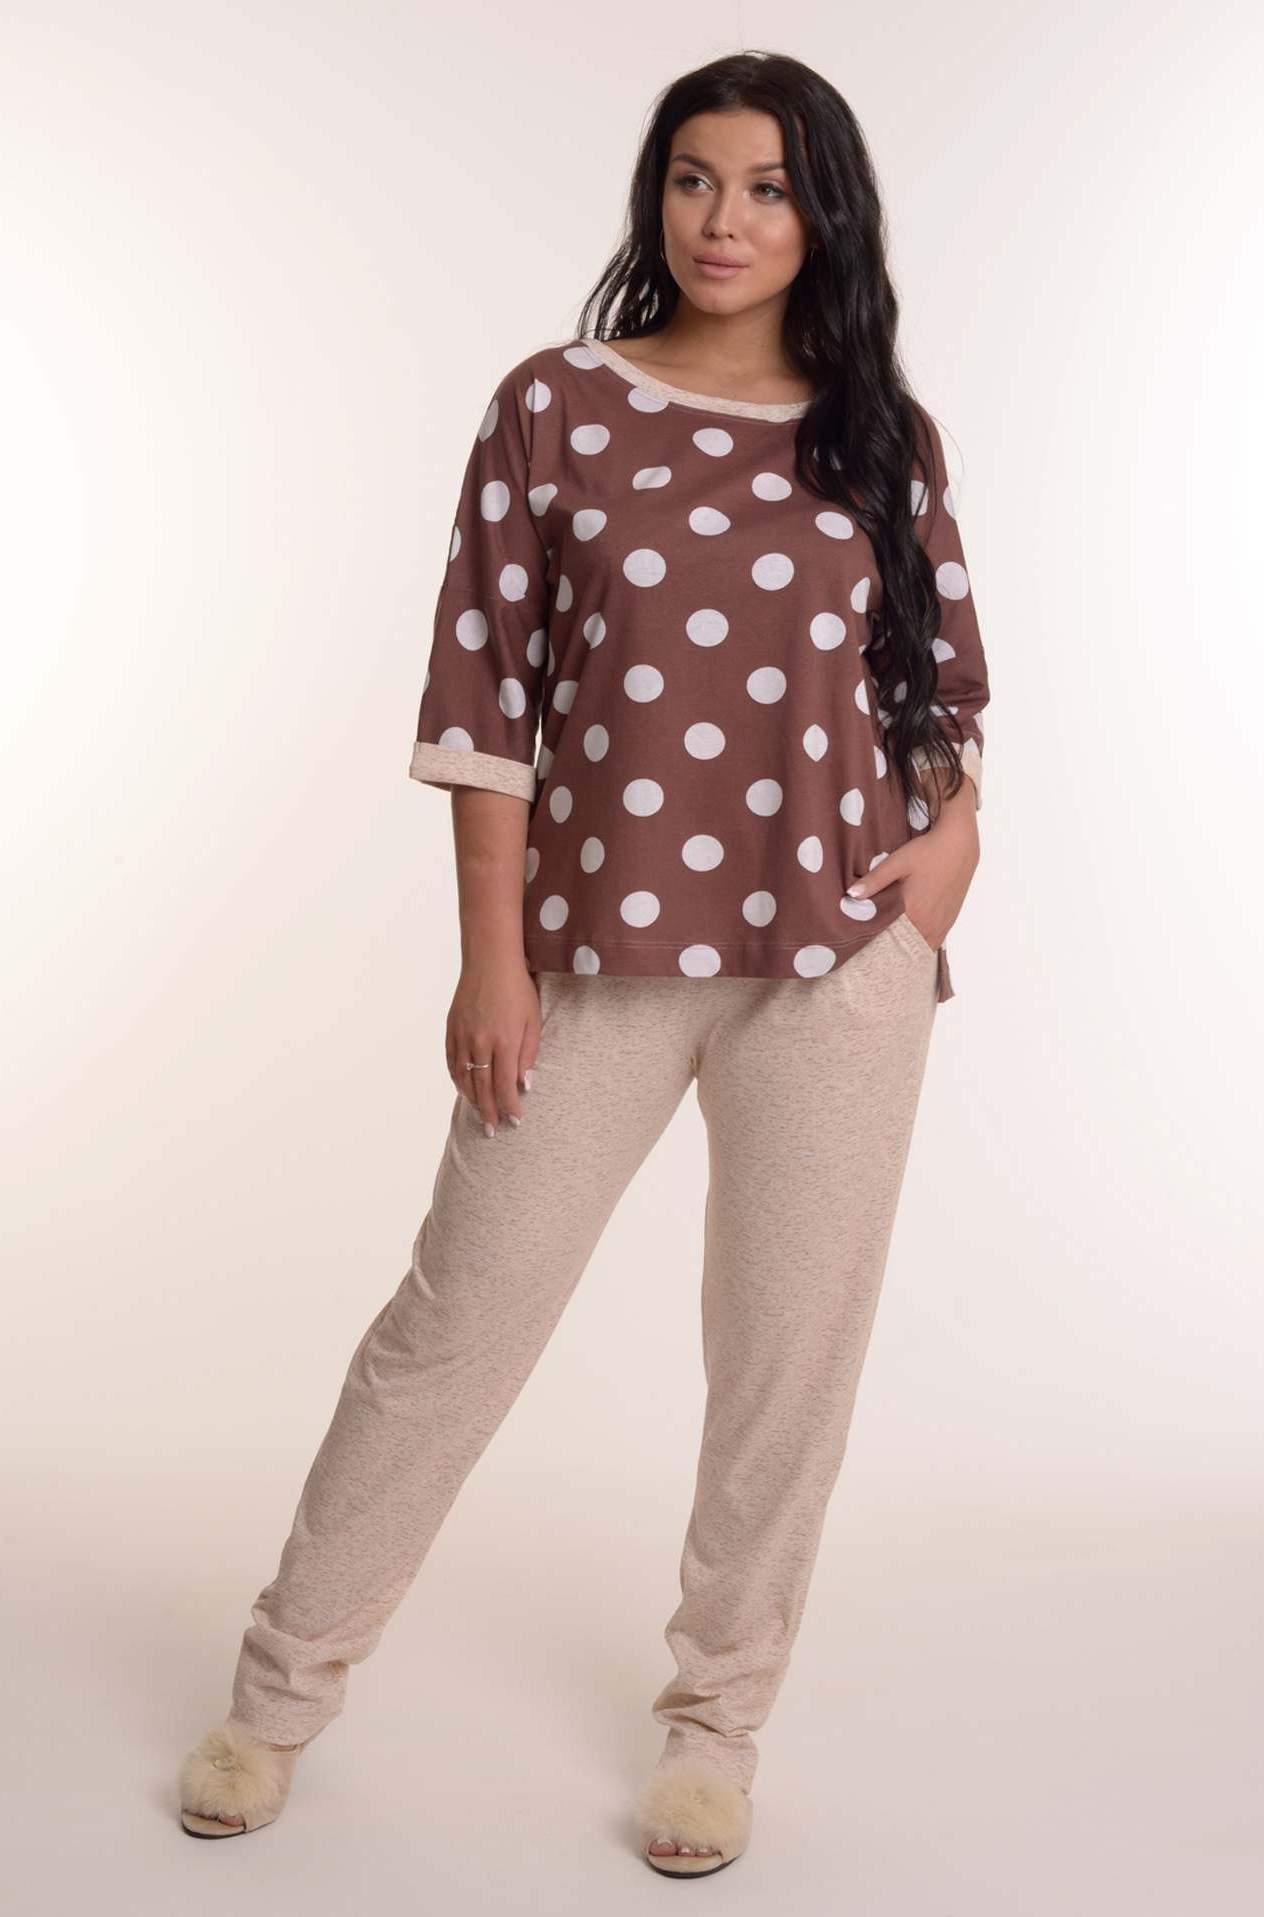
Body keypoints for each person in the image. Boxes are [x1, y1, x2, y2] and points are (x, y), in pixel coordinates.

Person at [177, 49, 988, 1878]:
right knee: (452, 1325)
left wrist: (954, 841)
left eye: (765, 188)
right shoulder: (555, 405)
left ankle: (716, 1732)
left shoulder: (880, 433)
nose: (723, 220)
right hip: (593, 953)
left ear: (822, 216)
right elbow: (482, 704)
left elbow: (937, 683)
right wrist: (493, 959)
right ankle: (277, 1695)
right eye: (694, 179)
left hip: (834, 960)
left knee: (785, 1364)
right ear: (655, 194)